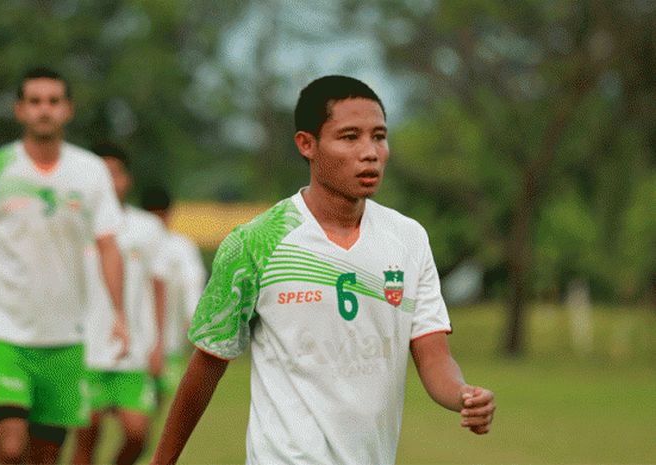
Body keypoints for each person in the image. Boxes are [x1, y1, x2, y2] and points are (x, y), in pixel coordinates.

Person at [151, 75, 495, 465]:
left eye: (379, 136)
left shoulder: (408, 239)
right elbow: (208, 362)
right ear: (306, 144)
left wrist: (463, 395)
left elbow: (433, 358)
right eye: (350, 137)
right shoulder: (254, 243)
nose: (370, 152)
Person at [0, 67, 129, 465]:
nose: (44, 110)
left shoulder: (90, 171)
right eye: (34, 102)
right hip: (2, 333)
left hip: (65, 337)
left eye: (52, 101)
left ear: (67, 110)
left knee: (45, 457)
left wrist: (119, 314)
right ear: (20, 110)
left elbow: (108, 246)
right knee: (11, 447)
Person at [72, 143, 169, 465]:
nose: (108, 181)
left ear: (126, 179)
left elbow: (158, 288)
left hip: (133, 351)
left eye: (114, 173)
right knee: (87, 437)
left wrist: (158, 345)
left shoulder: (148, 227)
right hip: (86, 349)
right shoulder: (75, 226)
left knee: (138, 433)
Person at [140, 185, 206, 399]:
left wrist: (192, 318)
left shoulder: (181, 247)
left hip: (170, 340)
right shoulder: (133, 243)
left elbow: (192, 284)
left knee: (156, 401)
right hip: (137, 341)